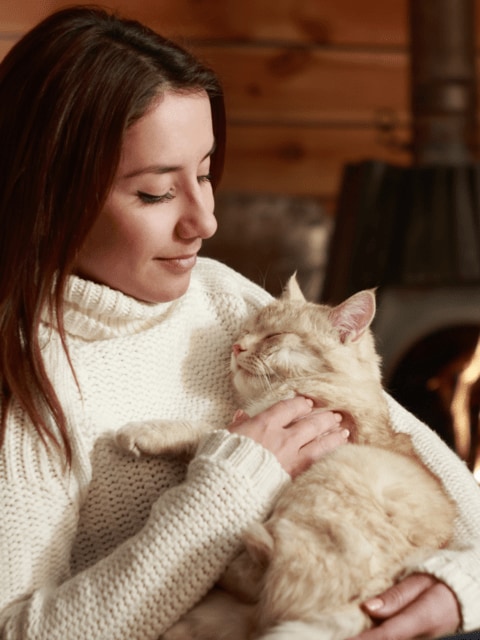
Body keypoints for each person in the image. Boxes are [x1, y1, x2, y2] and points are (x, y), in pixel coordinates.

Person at [0, 7, 478, 640]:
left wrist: (456, 588)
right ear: (48, 192)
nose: (205, 223)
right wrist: (229, 488)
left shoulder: (223, 295)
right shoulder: (29, 373)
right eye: (156, 192)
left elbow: (464, 511)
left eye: (204, 173)